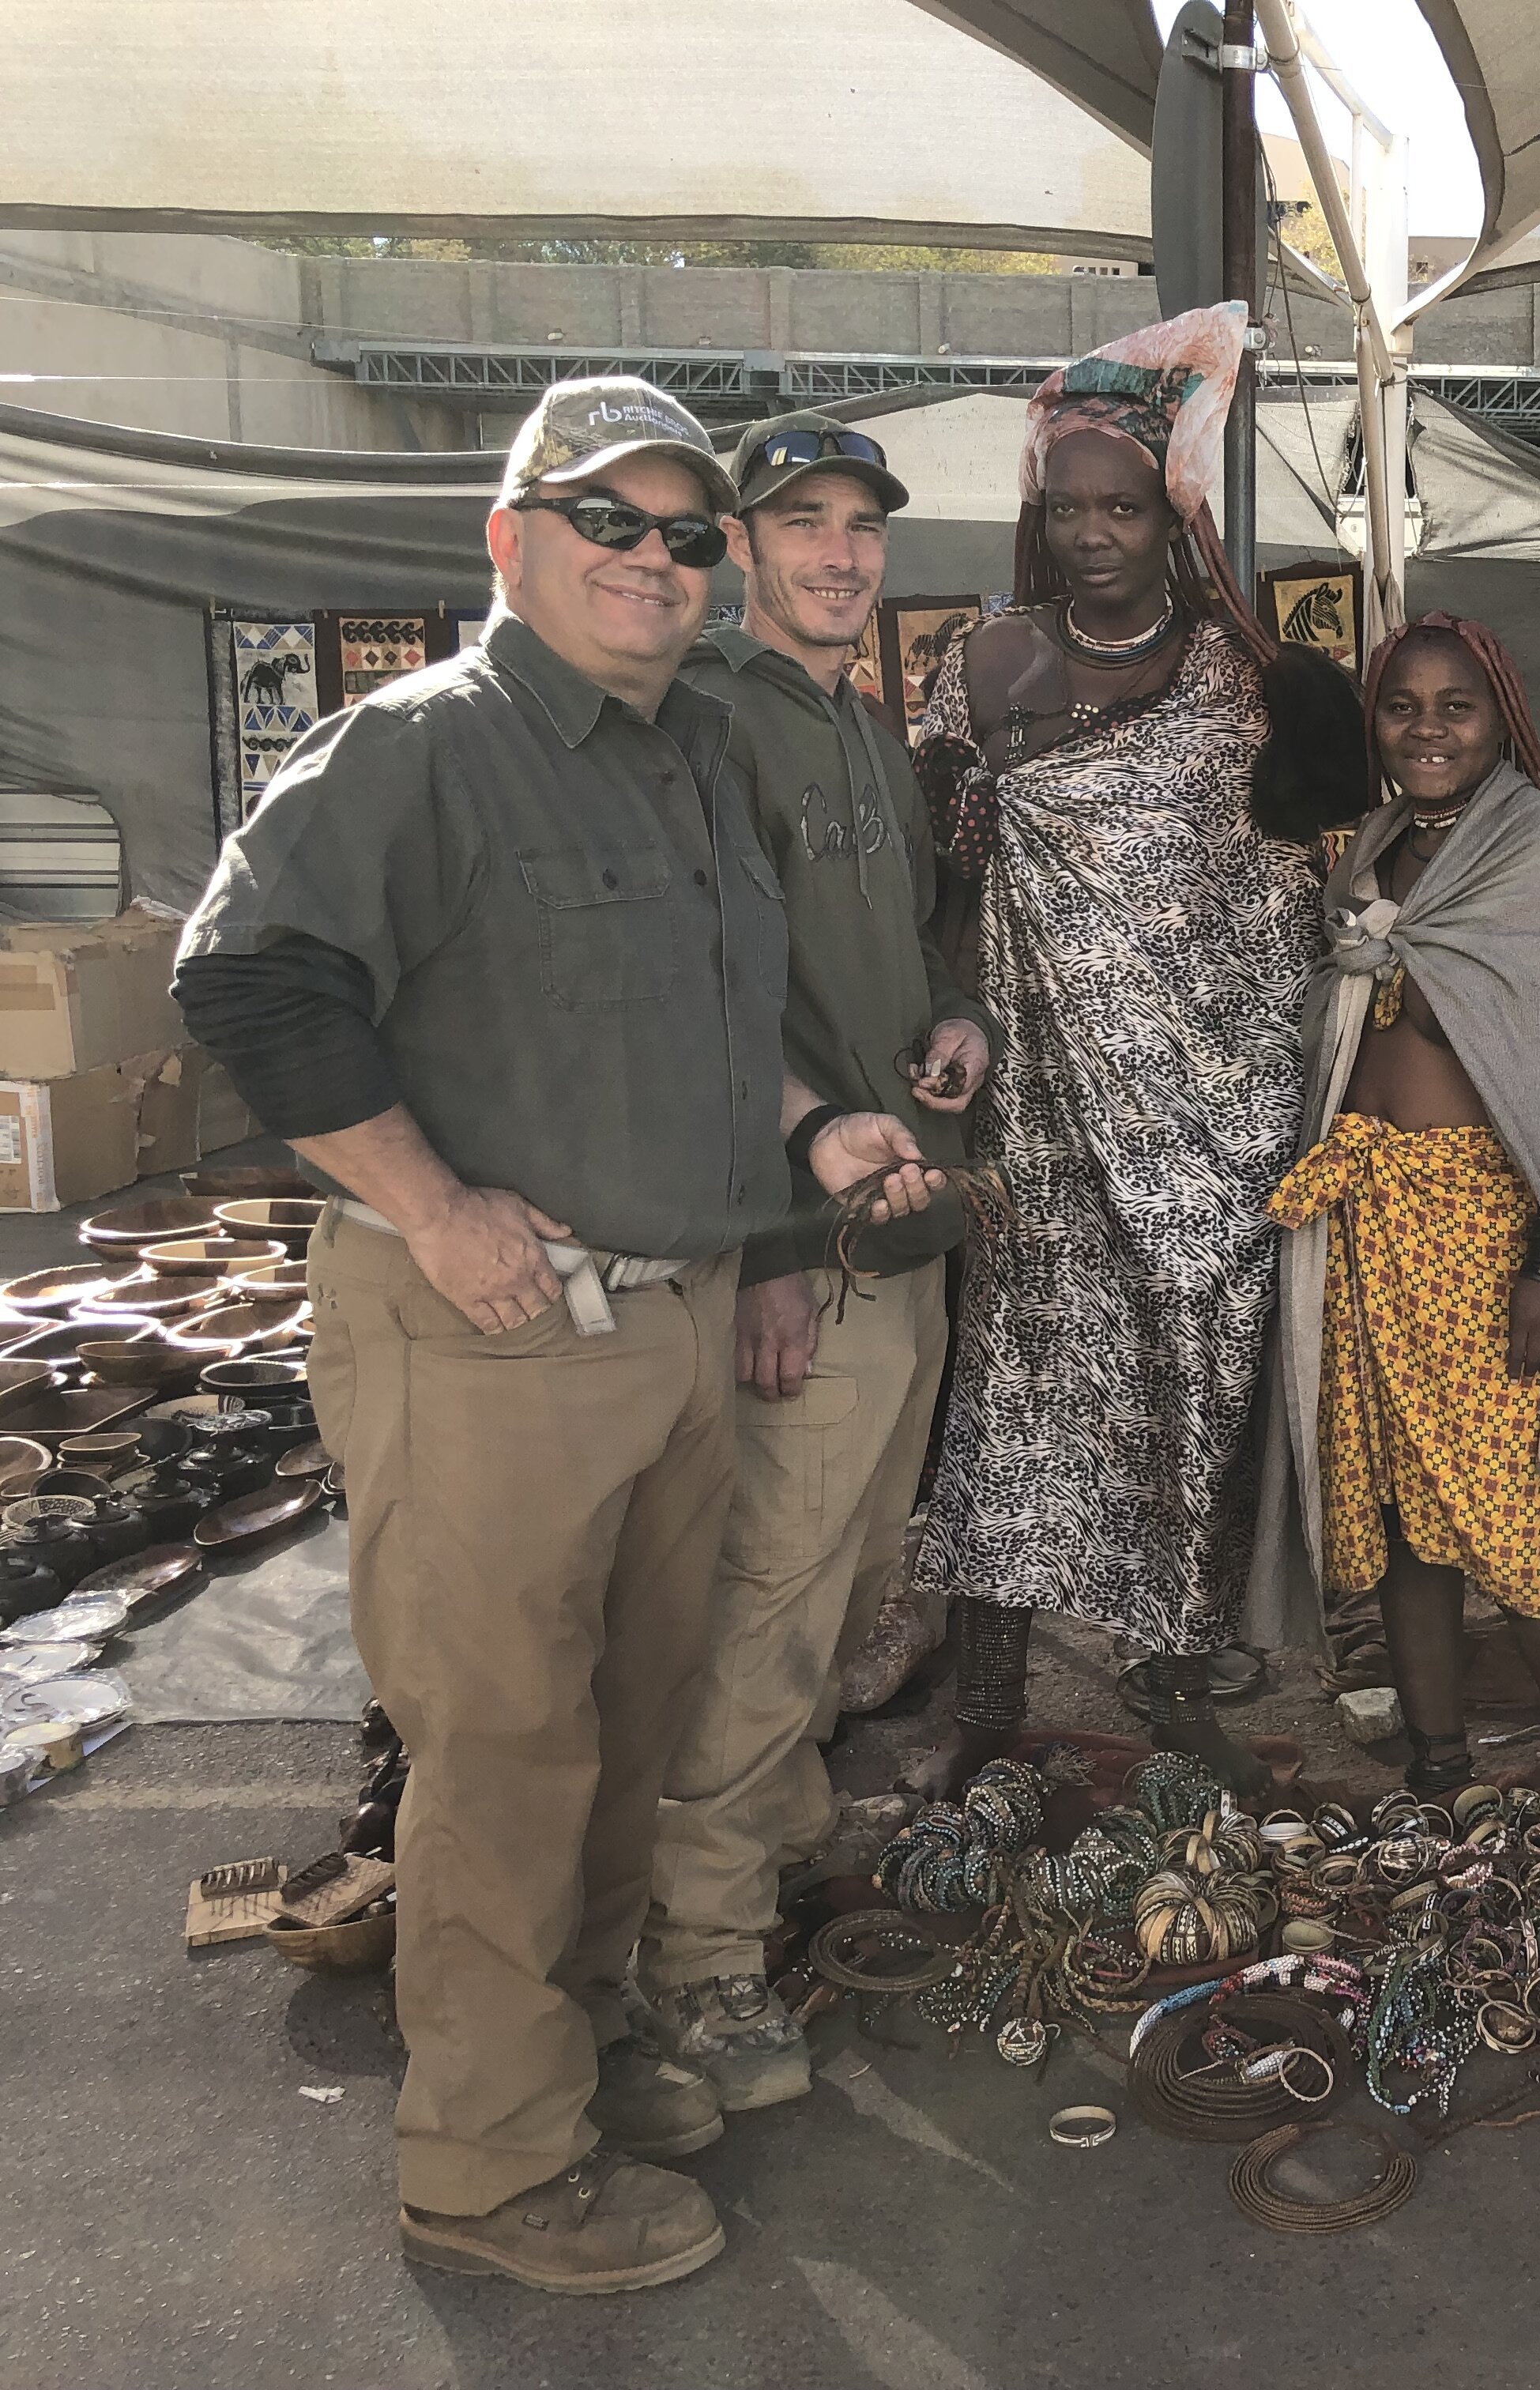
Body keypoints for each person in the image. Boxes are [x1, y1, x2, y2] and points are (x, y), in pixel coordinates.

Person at [173, 378, 938, 2293]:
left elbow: (694, 1028)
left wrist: (787, 1180)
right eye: (613, 523)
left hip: (668, 1315)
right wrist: (432, 1207)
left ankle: (578, 2064)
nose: (656, 562)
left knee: (625, 1726)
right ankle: (491, 2169)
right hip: (493, 1335)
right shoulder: (423, 745)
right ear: (509, 542)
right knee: (507, 1752)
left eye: (687, 535)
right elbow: (249, 977)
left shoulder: (677, 756)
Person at [903, 303, 1332, 1801]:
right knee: (1009, 1384)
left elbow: (1283, 898)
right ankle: (990, 1692)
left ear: (1174, 518)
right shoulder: (984, 670)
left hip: (1204, 1117)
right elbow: (940, 882)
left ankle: (1165, 1667)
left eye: (1124, 507)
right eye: (1068, 506)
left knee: (1189, 1383)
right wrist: (948, 1027)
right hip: (1029, 1103)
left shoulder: (1235, 683)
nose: (1093, 535)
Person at [640, 413, 998, 2106]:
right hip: (808, 1251)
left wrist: (960, 1018)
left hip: (906, 1234)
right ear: (740, 546)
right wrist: (770, 1256)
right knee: (770, 1609)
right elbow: (698, 1008)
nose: (841, 553)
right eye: (804, 523)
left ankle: (770, 1864)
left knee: (852, 1584)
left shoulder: (863, 726)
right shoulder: (710, 724)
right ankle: (696, 1964)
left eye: (863, 524)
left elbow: (920, 934)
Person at [1249, 615, 1540, 1890]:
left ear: (1504, 718)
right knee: (1397, 1512)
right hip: (1363, 1215)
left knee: (1505, 1515)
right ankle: (1437, 1766)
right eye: (1401, 709)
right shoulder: (1373, 848)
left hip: (1479, 1227)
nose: (1427, 732)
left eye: (1457, 709)